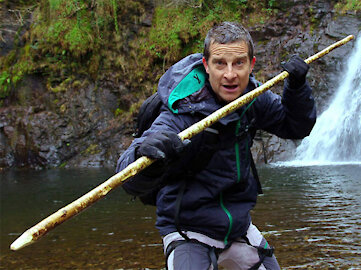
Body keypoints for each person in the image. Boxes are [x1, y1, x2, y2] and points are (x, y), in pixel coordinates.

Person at [116, 21, 316, 270]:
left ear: (251, 65)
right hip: (187, 230)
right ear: (206, 66)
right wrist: (146, 152)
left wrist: (297, 88)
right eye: (220, 63)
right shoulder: (182, 110)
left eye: (239, 63)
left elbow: (296, 127)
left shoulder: (253, 98)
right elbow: (128, 176)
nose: (230, 74)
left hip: (239, 228)